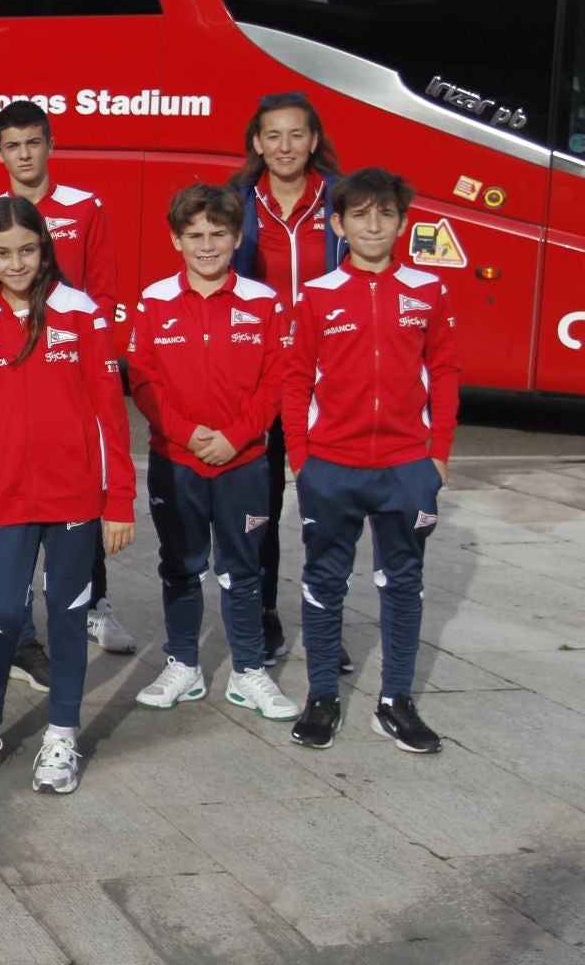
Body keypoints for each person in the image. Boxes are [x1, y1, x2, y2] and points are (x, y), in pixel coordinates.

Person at [0, 198, 134, 796]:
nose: (17, 262)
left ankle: (62, 734)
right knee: (1, 613)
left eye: (27, 249)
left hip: (74, 499)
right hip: (5, 502)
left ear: (44, 248)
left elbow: (111, 416)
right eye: (2, 252)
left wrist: (119, 500)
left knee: (69, 613)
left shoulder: (80, 313)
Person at [282, 168, 459, 754]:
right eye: (360, 214)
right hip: (331, 467)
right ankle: (322, 697)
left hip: (407, 468)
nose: (373, 225)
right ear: (339, 225)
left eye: (385, 213)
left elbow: (446, 374)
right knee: (324, 582)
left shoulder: (429, 290)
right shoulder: (318, 294)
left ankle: (396, 702)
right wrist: (302, 459)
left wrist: (437, 457)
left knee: (403, 584)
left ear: (402, 223)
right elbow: (295, 379)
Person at [126, 185, 298, 721]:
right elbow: (143, 380)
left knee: (243, 569)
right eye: (195, 235)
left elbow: (278, 379)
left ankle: (248, 671)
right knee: (180, 566)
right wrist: (185, 434)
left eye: (218, 234)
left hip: (243, 462)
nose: (206, 246)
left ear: (237, 237)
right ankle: (183, 665)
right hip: (176, 461)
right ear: (175, 240)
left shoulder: (264, 302)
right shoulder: (154, 300)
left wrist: (237, 436)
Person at [0, 99, 131, 660]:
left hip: (71, 364)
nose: (24, 155)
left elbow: (104, 292)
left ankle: (94, 605)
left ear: (49, 145)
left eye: (33, 143)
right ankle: (14, 626)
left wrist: (88, 355)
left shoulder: (86, 207)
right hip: (11, 370)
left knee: (80, 488)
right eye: (12, 146)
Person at [231, 92, 347, 667]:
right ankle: (266, 613)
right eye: (273, 135)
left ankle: (327, 622)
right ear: (257, 142)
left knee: (329, 503)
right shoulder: (237, 203)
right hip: (264, 374)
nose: (284, 146)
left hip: (330, 377)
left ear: (313, 140)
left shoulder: (343, 200)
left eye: (296, 134)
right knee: (264, 502)